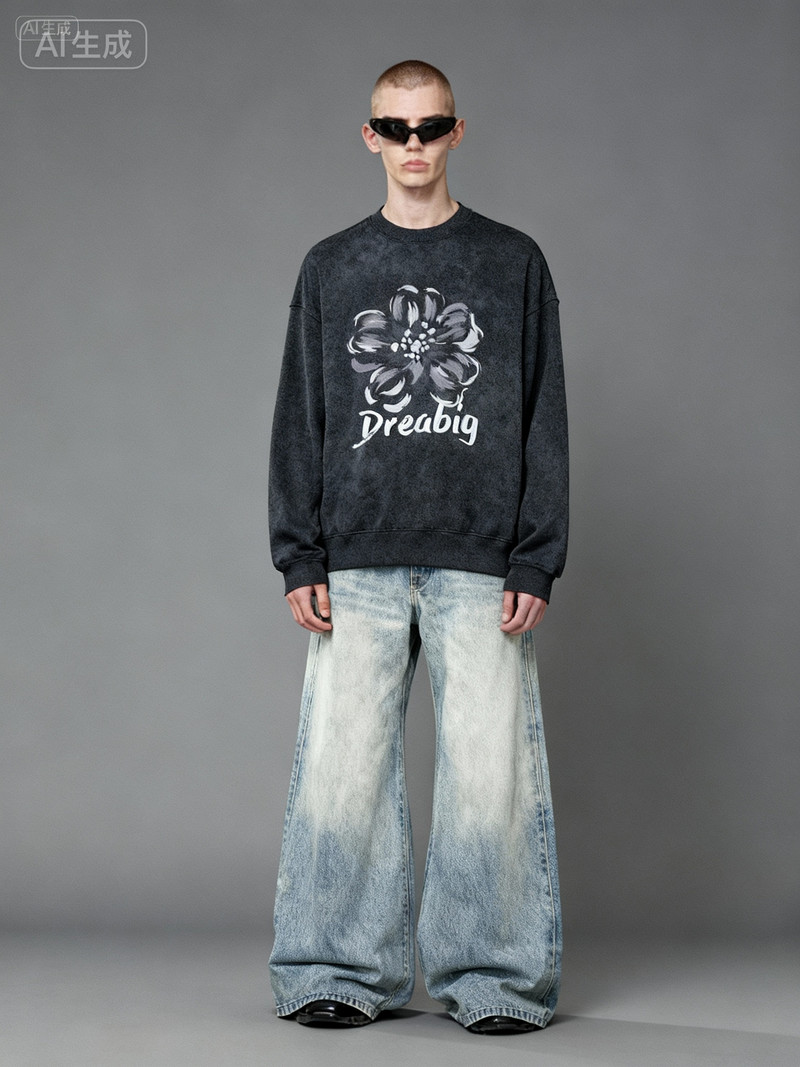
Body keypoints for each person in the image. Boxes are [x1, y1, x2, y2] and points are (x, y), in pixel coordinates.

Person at [268, 60, 568, 1035]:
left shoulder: (511, 263)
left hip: (481, 556)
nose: (413, 145)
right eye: (394, 128)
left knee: (490, 773)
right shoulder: (332, 266)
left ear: (455, 133)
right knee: (342, 769)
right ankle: (333, 967)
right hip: (353, 558)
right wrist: (298, 552)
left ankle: (495, 979)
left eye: (429, 127)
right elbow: (301, 415)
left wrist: (535, 554)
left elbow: (542, 414)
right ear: (369, 136)